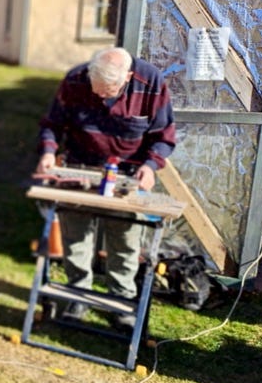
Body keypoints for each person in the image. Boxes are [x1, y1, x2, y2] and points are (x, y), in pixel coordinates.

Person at [35, 46, 176, 328]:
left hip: (127, 175)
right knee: (75, 239)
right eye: (96, 90)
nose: (100, 97)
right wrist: (49, 152)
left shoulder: (151, 83)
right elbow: (52, 124)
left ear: (127, 77)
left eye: (107, 92)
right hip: (79, 169)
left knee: (124, 242)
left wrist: (150, 167)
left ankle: (122, 303)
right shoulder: (75, 80)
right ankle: (78, 296)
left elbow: (164, 136)